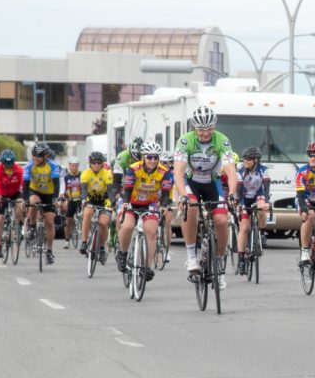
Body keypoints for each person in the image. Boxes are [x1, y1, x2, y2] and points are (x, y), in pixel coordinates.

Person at [174, 104, 238, 289]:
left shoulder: (221, 140)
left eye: (209, 128)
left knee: (221, 220)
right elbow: (178, 171)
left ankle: (218, 263)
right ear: (195, 128)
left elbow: (231, 171)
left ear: (214, 127)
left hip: (212, 182)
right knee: (191, 208)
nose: (205, 133)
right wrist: (183, 195)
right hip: (191, 181)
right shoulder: (186, 141)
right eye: (201, 129)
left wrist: (232, 193)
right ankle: (191, 257)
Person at [116, 141, 172, 282]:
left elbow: (166, 193)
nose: (152, 160)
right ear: (143, 157)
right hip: (133, 202)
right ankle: (122, 253)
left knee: (151, 231)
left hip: (150, 203)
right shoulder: (134, 168)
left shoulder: (164, 172)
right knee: (127, 226)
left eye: (155, 157)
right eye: (149, 157)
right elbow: (127, 188)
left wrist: (164, 205)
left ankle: (147, 267)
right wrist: (126, 203)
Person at [23, 143, 61, 265]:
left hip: (49, 195)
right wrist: (25, 199)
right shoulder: (29, 166)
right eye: (33, 156)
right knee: (33, 202)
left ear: (45, 156)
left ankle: (49, 251)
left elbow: (56, 183)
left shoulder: (53, 166)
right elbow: (25, 185)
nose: (35, 159)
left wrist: (55, 198)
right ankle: (33, 227)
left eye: (38, 157)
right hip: (35, 191)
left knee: (50, 222)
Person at [235, 146, 271, 275]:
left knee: (262, 207)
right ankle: (241, 259)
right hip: (244, 198)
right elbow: (238, 190)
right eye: (244, 159)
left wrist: (266, 202)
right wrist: (239, 204)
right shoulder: (239, 171)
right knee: (244, 228)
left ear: (256, 160)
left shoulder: (263, 170)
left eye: (249, 159)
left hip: (258, 195)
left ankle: (261, 233)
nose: (246, 161)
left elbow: (266, 188)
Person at [79, 151, 114, 262]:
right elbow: (84, 191)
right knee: (87, 214)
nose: (97, 165)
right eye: (94, 163)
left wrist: (111, 202)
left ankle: (102, 248)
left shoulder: (107, 173)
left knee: (103, 223)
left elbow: (110, 191)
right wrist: (84, 200)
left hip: (104, 200)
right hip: (91, 200)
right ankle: (84, 242)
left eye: (99, 163)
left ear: (102, 164)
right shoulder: (85, 174)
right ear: (90, 163)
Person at [0, 149, 24, 258]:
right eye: (6, 165)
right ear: (2, 163)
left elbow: (24, 183)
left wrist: (25, 193)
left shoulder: (18, 169)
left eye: (10, 165)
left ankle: (18, 225)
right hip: (2, 194)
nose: (8, 168)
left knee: (21, 204)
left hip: (15, 193)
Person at [61, 156, 83, 249]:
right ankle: (67, 240)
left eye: (76, 166)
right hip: (70, 200)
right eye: (72, 166)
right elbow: (62, 188)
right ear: (69, 166)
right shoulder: (66, 177)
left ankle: (84, 238)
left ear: (78, 166)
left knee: (85, 216)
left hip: (80, 199)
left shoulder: (82, 175)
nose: (74, 167)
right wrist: (63, 197)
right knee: (69, 221)